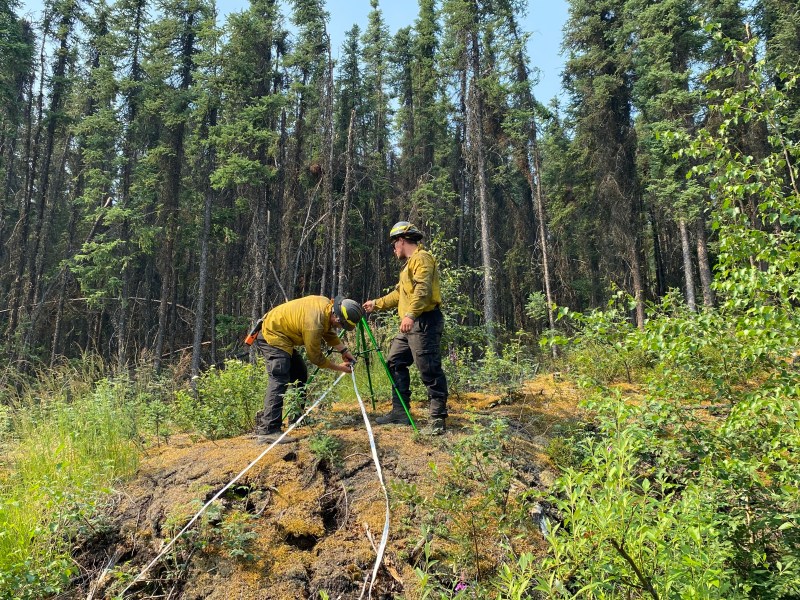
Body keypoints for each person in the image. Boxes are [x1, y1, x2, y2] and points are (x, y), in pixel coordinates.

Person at [363, 221, 449, 435]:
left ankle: (437, 420)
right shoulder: (408, 266)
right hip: (411, 324)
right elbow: (399, 295)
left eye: (394, 244)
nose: (394, 249)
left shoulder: (422, 258)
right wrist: (376, 303)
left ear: (402, 241)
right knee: (394, 360)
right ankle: (400, 411)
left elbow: (423, 289)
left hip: (425, 321)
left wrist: (410, 314)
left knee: (429, 367)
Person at [253, 295, 363, 443]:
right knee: (279, 378)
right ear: (337, 317)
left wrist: (343, 351)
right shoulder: (314, 323)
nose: (339, 327)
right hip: (271, 335)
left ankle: (297, 419)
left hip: (283, 336)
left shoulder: (326, 307)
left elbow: (328, 332)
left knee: (299, 373)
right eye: (341, 325)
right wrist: (339, 368)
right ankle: (268, 431)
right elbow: (315, 358)